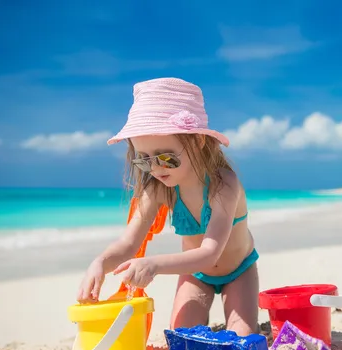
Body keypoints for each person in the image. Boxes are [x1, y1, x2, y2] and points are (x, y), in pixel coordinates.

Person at [76, 77, 259, 336]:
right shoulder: (158, 188)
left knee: (242, 337)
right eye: (145, 160)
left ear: (197, 142)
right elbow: (128, 245)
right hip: (196, 275)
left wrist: (155, 265)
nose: (155, 169)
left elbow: (210, 253)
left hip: (239, 270)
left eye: (165, 157)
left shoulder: (223, 185)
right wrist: (100, 262)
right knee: (182, 337)